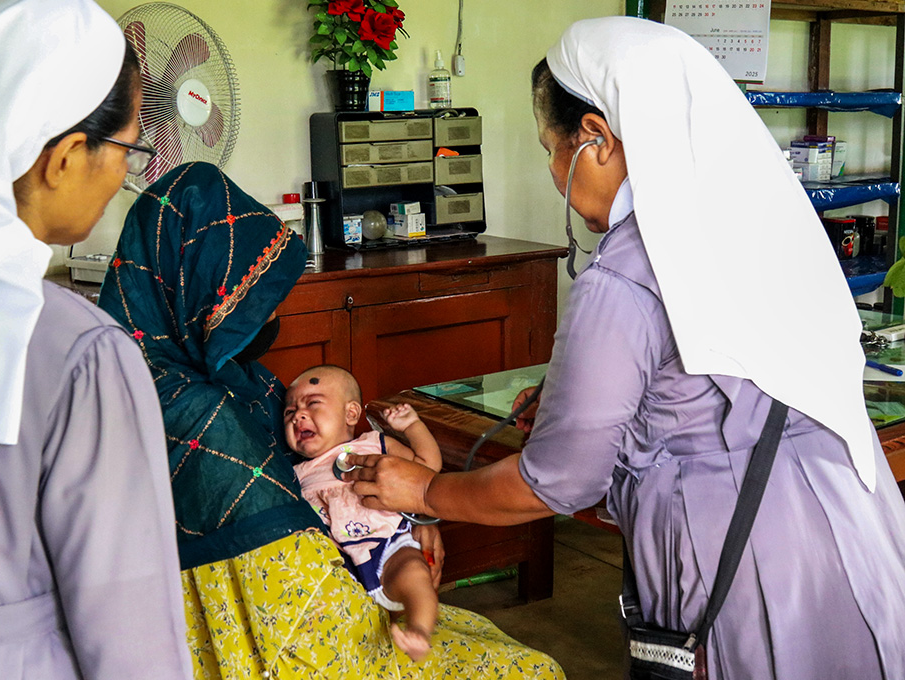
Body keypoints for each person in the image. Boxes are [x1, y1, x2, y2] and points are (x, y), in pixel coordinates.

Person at [345, 16, 905, 680]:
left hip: (748, 569)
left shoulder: (625, 271)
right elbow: (721, 384)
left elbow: (557, 479)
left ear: (598, 140)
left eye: (551, 149)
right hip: (853, 531)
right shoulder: (756, 223)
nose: (555, 176)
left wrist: (429, 489)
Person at [98, 160, 565, 679]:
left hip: (357, 575)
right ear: (200, 290)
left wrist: (413, 523)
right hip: (314, 624)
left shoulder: (235, 377)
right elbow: (298, 599)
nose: (273, 315)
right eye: (257, 299)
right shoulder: (187, 410)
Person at [0, 0, 192, 678]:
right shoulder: (83, 355)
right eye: (128, 149)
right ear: (64, 157)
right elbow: (131, 635)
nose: (126, 175)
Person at [286, 365, 441, 662]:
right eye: (289, 411)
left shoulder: (374, 443)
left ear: (351, 414)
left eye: (313, 403)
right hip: (339, 565)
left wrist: (412, 427)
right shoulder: (296, 474)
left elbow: (427, 468)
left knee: (414, 574)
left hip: (389, 545)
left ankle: (419, 631)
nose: (298, 415)